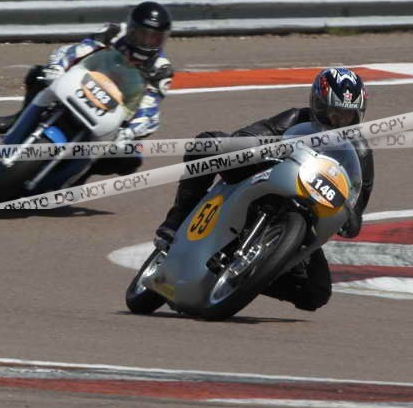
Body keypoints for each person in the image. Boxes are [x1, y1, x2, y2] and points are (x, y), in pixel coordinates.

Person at [155, 67, 374, 312]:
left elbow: (357, 205)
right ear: (317, 105)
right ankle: (178, 217)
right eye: (333, 113)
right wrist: (258, 150)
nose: (339, 122)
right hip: (268, 180)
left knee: (316, 293)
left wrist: (349, 217)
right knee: (206, 144)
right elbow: (249, 135)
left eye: (348, 116)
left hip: (310, 210)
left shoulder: (361, 152)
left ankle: (249, 277)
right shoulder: (295, 118)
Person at [0, 1, 174, 178]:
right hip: (84, 84)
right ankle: (20, 118)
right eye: (143, 35)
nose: (147, 42)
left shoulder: (162, 69)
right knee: (38, 74)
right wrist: (57, 67)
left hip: (118, 111)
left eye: (154, 37)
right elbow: (78, 50)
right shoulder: (113, 32)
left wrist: (130, 132)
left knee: (130, 158)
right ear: (132, 29)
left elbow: (149, 107)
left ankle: (83, 172)